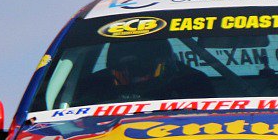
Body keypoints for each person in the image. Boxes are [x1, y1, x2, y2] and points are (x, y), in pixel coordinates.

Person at [72, 38, 212, 105]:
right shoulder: (93, 91)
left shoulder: (193, 85)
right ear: (112, 70)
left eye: (144, 67)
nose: (137, 76)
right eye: (125, 69)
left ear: (168, 66)